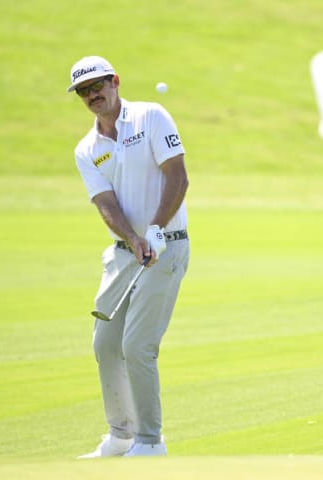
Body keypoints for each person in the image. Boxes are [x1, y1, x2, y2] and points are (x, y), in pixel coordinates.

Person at [68, 56, 190, 458]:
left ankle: (150, 441)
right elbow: (105, 204)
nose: (92, 95)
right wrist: (134, 238)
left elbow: (178, 175)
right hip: (125, 254)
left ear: (116, 81)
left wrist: (154, 230)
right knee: (106, 344)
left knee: (137, 345)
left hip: (167, 245)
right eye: (84, 91)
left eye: (98, 85)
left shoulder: (150, 117)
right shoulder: (87, 149)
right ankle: (121, 435)